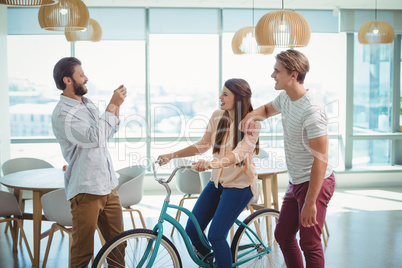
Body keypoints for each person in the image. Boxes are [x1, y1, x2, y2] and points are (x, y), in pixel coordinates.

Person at [239, 49, 335, 268]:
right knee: (283, 235)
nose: (272, 75)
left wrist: (310, 202)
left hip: (315, 183)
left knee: (309, 243)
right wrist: (249, 117)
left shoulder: (312, 109)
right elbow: (266, 109)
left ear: (293, 74)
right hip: (297, 180)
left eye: (277, 71)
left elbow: (321, 159)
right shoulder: (286, 98)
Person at [157, 78, 260, 268]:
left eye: (225, 94)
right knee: (192, 230)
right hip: (217, 183)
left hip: (240, 186)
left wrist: (212, 164)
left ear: (238, 98)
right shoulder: (217, 116)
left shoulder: (251, 124)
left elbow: (237, 155)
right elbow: (203, 144)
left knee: (216, 235)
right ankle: (216, 261)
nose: (220, 97)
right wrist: (171, 155)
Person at [51, 57, 127, 267]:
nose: (86, 78)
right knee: (83, 252)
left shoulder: (87, 104)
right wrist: (112, 105)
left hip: (108, 185)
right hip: (86, 188)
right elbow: (93, 137)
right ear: (67, 80)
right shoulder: (62, 113)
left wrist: (116, 107)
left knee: (118, 246)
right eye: (81, 75)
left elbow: (106, 133)